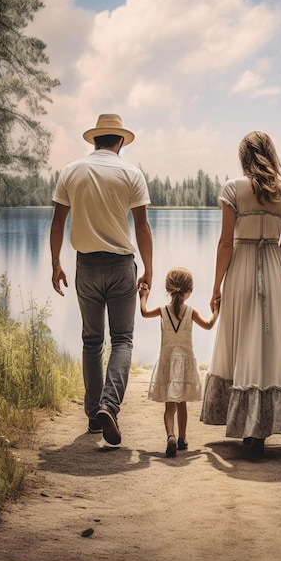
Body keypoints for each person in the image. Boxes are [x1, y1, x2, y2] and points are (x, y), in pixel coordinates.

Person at [50, 113, 153, 447]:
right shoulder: (131, 172)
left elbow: (57, 223)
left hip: (86, 265)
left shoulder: (71, 171)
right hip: (122, 266)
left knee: (92, 341)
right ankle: (110, 404)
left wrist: (55, 264)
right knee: (122, 339)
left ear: (95, 140)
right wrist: (149, 269)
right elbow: (142, 227)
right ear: (120, 142)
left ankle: (95, 413)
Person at [200, 131, 281, 457]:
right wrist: (268, 256)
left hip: (241, 266)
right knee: (267, 343)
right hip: (272, 267)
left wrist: (216, 285)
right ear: (271, 154)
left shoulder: (233, 189)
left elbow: (226, 243)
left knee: (238, 337)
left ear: (244, 157)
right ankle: (262, 426)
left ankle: (242, 421)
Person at [139, 267, 219, 457]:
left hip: (167, 361)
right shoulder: (191, 312)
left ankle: (171, 436)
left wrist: (143, 295)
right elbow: (208, 325)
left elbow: (143, 312)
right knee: (182, 404)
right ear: (189, 291)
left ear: (168, 288)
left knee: (169, 406)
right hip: (184, 364)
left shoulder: (162, 310)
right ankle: (182, 439)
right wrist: (216, 310)